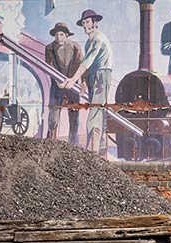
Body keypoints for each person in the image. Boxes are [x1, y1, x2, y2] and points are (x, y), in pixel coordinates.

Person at [61, 9, 112, 154]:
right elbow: (87, 63)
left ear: (95, 23)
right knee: (96, 108)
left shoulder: (98, 39)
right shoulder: (89, 41)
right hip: (92, 76)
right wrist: (83, 81)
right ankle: (99, 148)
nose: (85, 26)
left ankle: (93, 151)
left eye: (87, 22)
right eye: (83, 23)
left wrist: (73, 79)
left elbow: (88, 61)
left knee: (95, 110)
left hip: (101, 75)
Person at [45, 22, 83, 144]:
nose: (58, 37)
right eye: (56, 34)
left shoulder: (76, 46)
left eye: (61, 34)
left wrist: (76, 81)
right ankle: (50, 141)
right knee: (53, 115)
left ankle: (74, 145)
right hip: (57, 86)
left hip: (73, 86)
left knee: (74, 117)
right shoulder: (49, 48)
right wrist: (57, 80)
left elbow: (80, 65)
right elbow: (49, 66)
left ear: (66, 35)